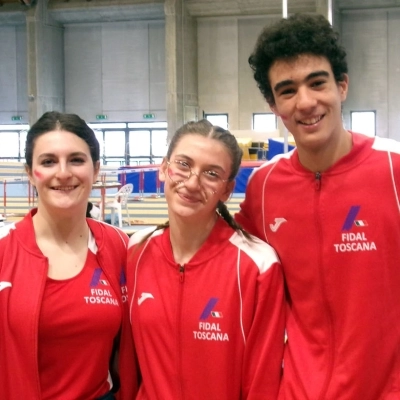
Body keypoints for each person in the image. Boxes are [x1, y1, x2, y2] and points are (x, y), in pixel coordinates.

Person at [235, 13, 400, 400]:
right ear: (273, 104)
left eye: (317, 83)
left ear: (342, 86)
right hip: (298, 390)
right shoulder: (264, 187)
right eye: (288, 90)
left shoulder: (394, 171)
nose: (306, 102)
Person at [127, 119, 285, 399]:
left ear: (226, 190)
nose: (192, 182)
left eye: (211, 174)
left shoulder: (257, 265)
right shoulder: (137, 250)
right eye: (184, 165)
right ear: (164, 169)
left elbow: (263, 378)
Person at [0, 111, 137, 399]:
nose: (63, 172)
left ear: (96, 169)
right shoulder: (4, 249)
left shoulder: (119, 245)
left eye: (76, 159)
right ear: (29, 172)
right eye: (48, 161)